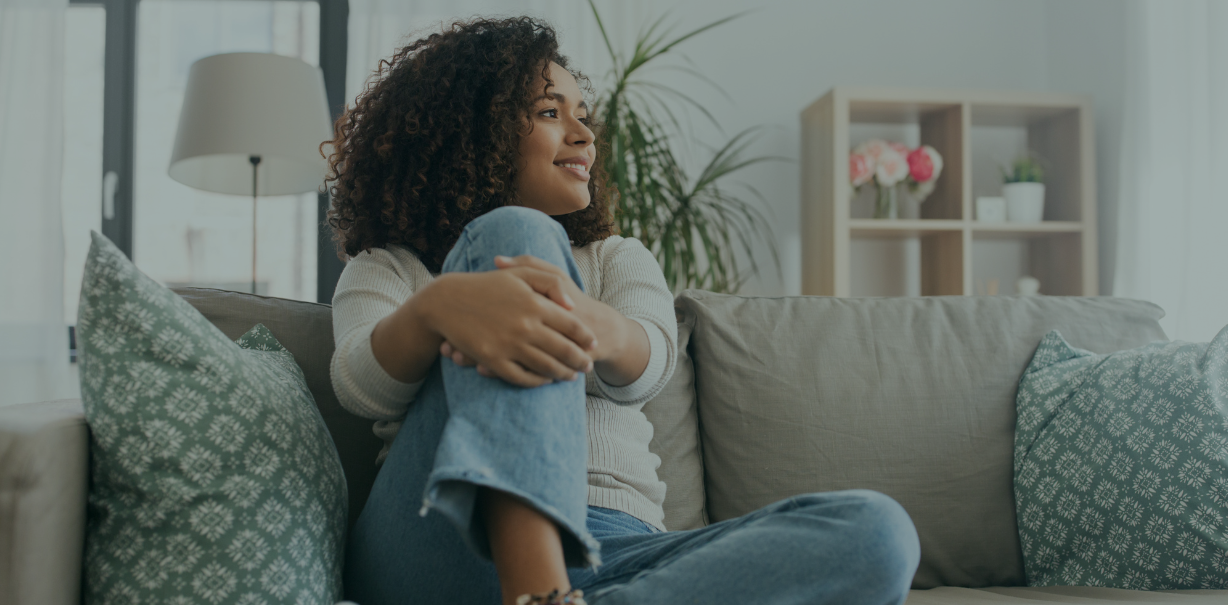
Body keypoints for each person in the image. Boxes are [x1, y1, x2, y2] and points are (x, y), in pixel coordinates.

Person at [322, 15, 920, 605]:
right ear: (469, 130)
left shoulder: (615, 258)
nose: (584, 135)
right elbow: (360, 386)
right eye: (550, 112)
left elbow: (650, 363)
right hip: (441, 541)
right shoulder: (389, 267)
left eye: (584, 116)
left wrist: (583, 319)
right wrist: (438, 308)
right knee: (514, 232)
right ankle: (537, 588)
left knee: (878, 534)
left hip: (617, 553)